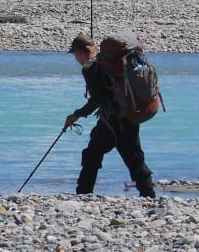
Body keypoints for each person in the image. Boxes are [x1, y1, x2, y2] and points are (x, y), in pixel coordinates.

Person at [63, 33, 157, 197]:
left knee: (130, 157)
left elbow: (97, 99)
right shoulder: (106, 64)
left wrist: (76, 114)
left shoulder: (90, 68)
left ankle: (148, 194)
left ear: (80, 52)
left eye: (74, 54)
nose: (75, 59)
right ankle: (84, 193)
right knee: (98, 153)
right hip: (126, 114)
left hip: (115, 120)